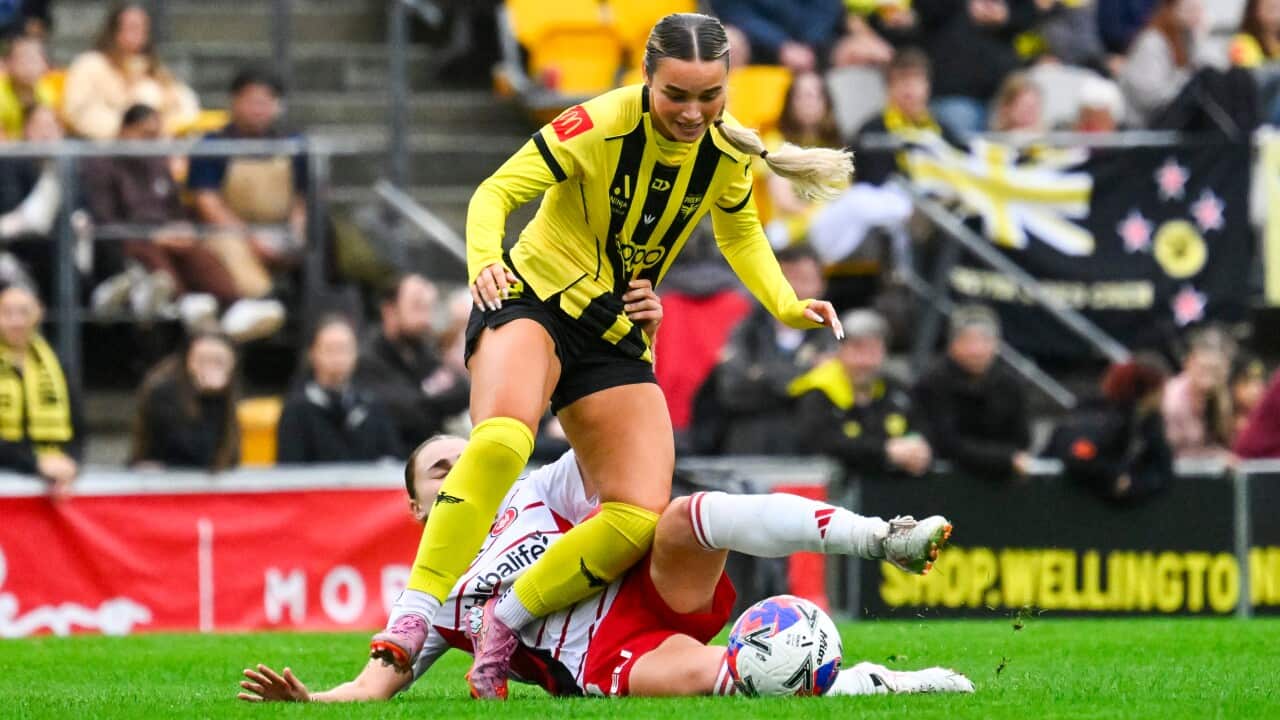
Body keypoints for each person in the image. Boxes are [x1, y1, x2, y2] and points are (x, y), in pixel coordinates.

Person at [378, 12, 851, 701]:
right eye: (676, 95)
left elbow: (740, 232)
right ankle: (412, 615)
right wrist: (484, 262)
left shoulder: (725, 151)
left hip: (610, 328)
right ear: (646, 79)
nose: (693, 112)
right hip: (532, 297)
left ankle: (504, 621)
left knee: (636, 515)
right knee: (504, 439)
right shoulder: (597, 123)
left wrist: (785, 304)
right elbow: (495, 193)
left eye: (709, 96)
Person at [238, 435, 968, 703]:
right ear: (415, 508)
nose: (461, 472)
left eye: (470, 458)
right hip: (607, 657)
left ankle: (882, 537)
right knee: (733, 678)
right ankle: (877, 682)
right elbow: (374, 685)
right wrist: (312, 701)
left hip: (647, 584)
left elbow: (612, 435)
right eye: (440, 470)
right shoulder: (434, 599)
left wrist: (635, 334)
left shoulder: (535, 490)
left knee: (688, 514)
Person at [81, 103, 285, 339]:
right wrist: (153, 236)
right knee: (151, 255)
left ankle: (234, 305)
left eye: (155, 136)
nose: (151, 142)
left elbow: (174, 206)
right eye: (145, 135)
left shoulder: (158, 164)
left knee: (198, 251)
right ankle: (181, 302)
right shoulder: (101, 165)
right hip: (130, 239)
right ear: (124, 131)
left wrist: (181, 227)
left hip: (168, 233)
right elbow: (104, 219)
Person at [187, 66, 305, 306]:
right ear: (235, 102)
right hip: (229, 232)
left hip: (281, 231)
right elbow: (207, 203)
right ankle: (262, 302)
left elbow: (304, 197)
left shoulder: (295, 143)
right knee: (228, 248)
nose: (258, 110)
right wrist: (250, 239)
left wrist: (297, 232)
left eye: (265, 102)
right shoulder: (212, 144)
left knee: (319, 239)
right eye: (252, 102)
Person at [714, 243, 835, 455]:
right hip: (749, 449)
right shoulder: (746, 331)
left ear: (821, 285)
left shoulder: (833, 337)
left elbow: (827, 400)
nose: (794, 288)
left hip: (808, 454)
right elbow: (731, 391)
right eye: (786, 279)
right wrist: (803, 375)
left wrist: (761, 375)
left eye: (804, 280)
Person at [792, 309, 932, 478]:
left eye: (873, 351)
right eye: (857, 350)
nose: (865, 362)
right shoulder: (818, 389)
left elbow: (921, 427)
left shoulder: (896, 390)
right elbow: (819, 442)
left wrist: (917, 449)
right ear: (839, 351)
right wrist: (885, 450)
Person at [913, 305, 1032, 482]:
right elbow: (945, 442)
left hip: (1000, 483)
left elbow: (1022, 439)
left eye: (985, 340)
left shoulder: (1011, 384)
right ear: (952, 344)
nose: (976, 350)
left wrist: (1007, 458)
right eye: (968, 341)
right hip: (941, 483)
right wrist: (1005, 458)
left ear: (996, 344)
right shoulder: (932, 382)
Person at [355, 274, 468, 454]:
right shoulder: (368, 358)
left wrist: (423, 397)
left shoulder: (424, 352)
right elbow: (404, 411)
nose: (426, 319)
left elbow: (462, 390)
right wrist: (432, 396)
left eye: (428, 308)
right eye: (417, 307)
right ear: (389, 310)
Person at [62, 3, 199, 140]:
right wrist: (124, 128)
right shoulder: (90, 64)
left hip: (157, 144)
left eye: (143, 28)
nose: (140, 34)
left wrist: (161, 128)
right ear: (115, 31)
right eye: (133, 27)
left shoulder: (154, 69)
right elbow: (79, 110)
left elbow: (182, 102)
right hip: (108, 146)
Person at [276, 315, 401, 464]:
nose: (338, 358)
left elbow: (391, 460)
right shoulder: (296, 410)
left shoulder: (372, 406)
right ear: (312, 353)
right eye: (330, 349)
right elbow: (289, 468)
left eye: (344, 349)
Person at [1050, 356, 1172, 502]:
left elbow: (1161, 465)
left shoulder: (1149, 422)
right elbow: (1079, 456)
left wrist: (1134, 485)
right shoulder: (1097, 416)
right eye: (1161, 390)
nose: (1164, 396)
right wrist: (1114, 478)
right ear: (1148, 392)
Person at [0, 283, 82, 496]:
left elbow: (77, 429)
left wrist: (69, 466)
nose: (16, 322)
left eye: (24, 312)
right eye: (7, 313)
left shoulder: (56, 364)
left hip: (53, 482)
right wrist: (36, 463)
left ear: (39, 313)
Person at [129, 330, 240, 472]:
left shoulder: (228, 392)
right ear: (188, 360)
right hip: (161, 476)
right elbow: (195, 454)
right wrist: (211, 398)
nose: (209, 368)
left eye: (218, 361)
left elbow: (230, 454)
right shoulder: (163, 391)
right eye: (202, 360)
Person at [1161, 325, 1234, 459]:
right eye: (1203, 368)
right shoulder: (1172, 398)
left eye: (1216, 370)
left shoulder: (1220, 396)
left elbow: (1216, 441)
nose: (1209, 376)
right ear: (1189, 363)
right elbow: (1170, 451)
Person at [0, 34, 59, 140]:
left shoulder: (46, 92)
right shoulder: (2, 94)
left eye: (35, 59)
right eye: (24, 59)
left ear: (45, 65)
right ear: (7, 63)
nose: (30, 66)